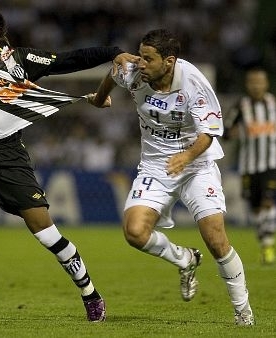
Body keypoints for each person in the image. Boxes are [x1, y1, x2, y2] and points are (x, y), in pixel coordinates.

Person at [0, 0, 136, 322]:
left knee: (47, 234)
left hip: (11, 159)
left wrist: (113, 52)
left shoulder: (21, 61)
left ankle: (90, 293)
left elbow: (67, 60)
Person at [87, 29, 254, 326]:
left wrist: (186, 157)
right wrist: (100, 98)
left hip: (196, 165)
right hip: (154, 166)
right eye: (140, 56)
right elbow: (114, 72)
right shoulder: (136, 71)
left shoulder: (194, 84)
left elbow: (210, 134)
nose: (141, 63)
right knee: (135, 232)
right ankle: (185, 259)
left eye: (148, 59)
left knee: (216, 239)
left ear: (169, 61)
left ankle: (243, 311)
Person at [224, 67, 276, 265]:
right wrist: (231, 133)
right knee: (255, 210)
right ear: (248, 85)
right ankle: (265, 240)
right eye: (252, 82)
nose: (256, 86)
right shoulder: (241, 106)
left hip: (271, 164)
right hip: (248, 166)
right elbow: (226, 131)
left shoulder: (273, 104)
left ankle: (268, 244)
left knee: (268, 202)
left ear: (266, 84)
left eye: (259, 82)